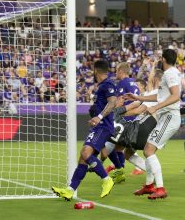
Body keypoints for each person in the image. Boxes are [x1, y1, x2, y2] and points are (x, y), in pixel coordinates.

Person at [52, 60, 117, 200]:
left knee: (85, 152)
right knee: (82, 159)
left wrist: (99, 117)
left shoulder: (108, 84)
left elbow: (113, 102)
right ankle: (70, 190)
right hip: (98, 125)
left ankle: (106, 179)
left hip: (103, 126)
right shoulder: (102, 86)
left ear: (97, 71)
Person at [124, 49, 181, 199]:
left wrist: (156, 107)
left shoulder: (170, 74)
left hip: (169, 116)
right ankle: (149, 186)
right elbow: (160, 96)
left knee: (148, 150)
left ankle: (160, 188)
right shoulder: (169, 74)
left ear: (163, 59)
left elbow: (176, 95)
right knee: (148, 150)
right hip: (165, 117)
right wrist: (138, 97)